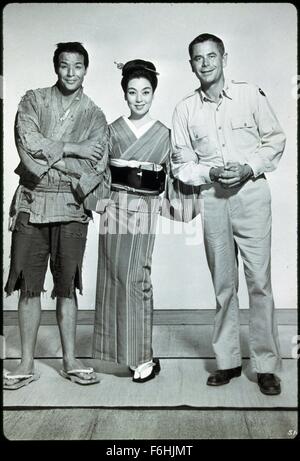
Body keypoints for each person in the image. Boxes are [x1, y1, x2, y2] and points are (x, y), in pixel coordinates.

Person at [171, 33, 286, 395]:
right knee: (223, 286)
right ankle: (228, 361)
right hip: (213, 200)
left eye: (211, 56)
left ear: (224, 58)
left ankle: (266, 365)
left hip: (252, 196)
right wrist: (209, 173)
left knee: (260, 284)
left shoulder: (250, 95)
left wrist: (249, 168)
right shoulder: (185, 109)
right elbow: (180, 163)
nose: (205, 63)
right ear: (191, 64)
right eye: (197, 58)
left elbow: (275, 140)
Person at [4, 42, 109, 389]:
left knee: (67, 287)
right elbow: (27, 147)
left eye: (78, 66)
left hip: (71, 207)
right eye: (65, 65)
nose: (71, 73)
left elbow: (95, 168)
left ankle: (69, 360)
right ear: (56, 67)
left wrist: (58, 156)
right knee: (28, 286)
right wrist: (72, 149)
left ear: (86, 69)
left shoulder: (94, 114)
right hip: (33, 203)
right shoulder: (32, 100)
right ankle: (25, 362)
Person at [92, 59, 170, 382]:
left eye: (146, 92)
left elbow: (173, 172)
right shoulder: (111, 130)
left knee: (137, 277)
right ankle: (123, 353)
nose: (139, 99)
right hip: (114, 205)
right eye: (133, 92)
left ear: (154, 94)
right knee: (113, 276)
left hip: (146, 206)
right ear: (124, 93)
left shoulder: (164, 134)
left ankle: (141, 357)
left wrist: (179, 207)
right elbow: (99, 169)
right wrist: (97, 201)